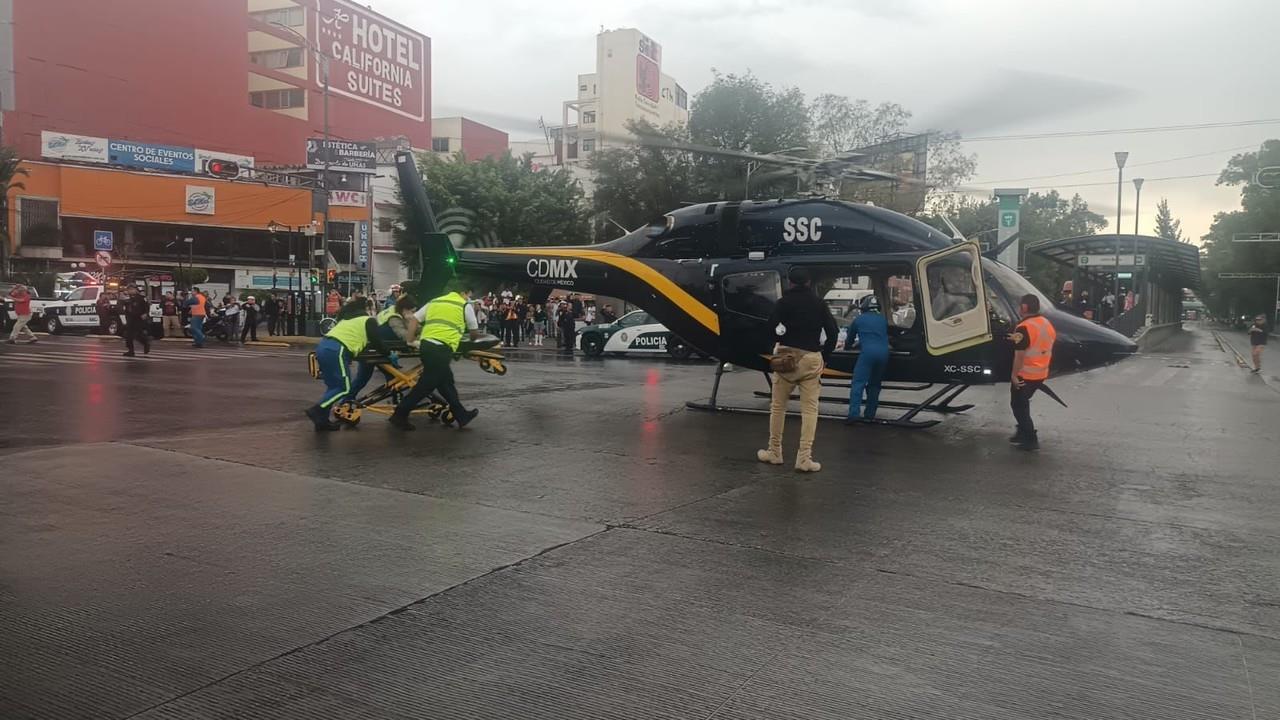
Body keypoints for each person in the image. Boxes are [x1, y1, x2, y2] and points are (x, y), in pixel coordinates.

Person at [759, 267, 837, 473]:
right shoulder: (819, 304)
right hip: (812, 358)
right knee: (810, 410)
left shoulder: (783, 303)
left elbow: (769, 329)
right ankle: (804, 459)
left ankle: (774, 452)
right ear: (809, 282)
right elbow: (833, 332)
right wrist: (825, 356)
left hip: (787, 358)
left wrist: (771, 352)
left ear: (790, 282)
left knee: (778, 407)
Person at [389, 284, 483, 431]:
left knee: (446, 382)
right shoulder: (464, 305)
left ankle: (461, 414)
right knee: (426, 384)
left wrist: (409, 340)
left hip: (427, 346)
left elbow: (414, 320)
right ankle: (400, 414)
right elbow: (474, 332)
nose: (468, 298)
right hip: (442, 348)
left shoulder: (435, 302)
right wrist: (471, 340)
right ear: (464, 293)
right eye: (468, 295)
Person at [306, 311, 389, 431]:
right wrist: (388, 353)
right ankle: (318, 409)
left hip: (323, 347)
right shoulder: (370, 321)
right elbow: (377, 342)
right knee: (344, 388)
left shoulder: (351, 322)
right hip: (337, 349)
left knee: (333, 387)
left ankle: (322, 421)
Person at [1009, 293, 1057, 451]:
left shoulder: (1023, 327)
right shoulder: (1045, 323)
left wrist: (1014, 375)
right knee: (1023, 403)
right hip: (1040, 373)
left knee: (1018, 406)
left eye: (1020, 306)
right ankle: (1021, 432)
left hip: (1025, 374)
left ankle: (1030, 438)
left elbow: (1020, 355)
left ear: (1024, 307)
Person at [844, 294, 890, 421]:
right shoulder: (882, 319)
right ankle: (870, 415)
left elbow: (849, 340)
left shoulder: (859, 319)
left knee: (858, 383)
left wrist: (847, 347)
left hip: (868, 353)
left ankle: (853, 415)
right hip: (884, 354)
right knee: (874, 384)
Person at [121, 286, 152, 357]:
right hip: (130, 318)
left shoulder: (141, 298)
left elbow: (147, 306)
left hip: (138, 318)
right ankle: (131, 351)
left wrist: (146, 313)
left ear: (135, 290)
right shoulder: (128, 298)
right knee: (128, 335)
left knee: (138, 334)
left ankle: (145, 343)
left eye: (131, 289)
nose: (130, 291)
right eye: (129, 290)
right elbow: (125, 307)